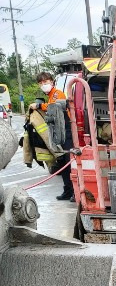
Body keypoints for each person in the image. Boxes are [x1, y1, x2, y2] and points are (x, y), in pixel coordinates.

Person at [34, 72, 74, 201]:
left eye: (45, 82)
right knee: (62, 161)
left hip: (65, 131)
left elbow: (54, 108)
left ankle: (74, 192)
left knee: (68, 162)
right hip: (58, 132)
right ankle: (67, 191)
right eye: (40, 83)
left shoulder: (57, 94)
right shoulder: (51, 96)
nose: (43, 85)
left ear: (52, 82)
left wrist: (40, 105)